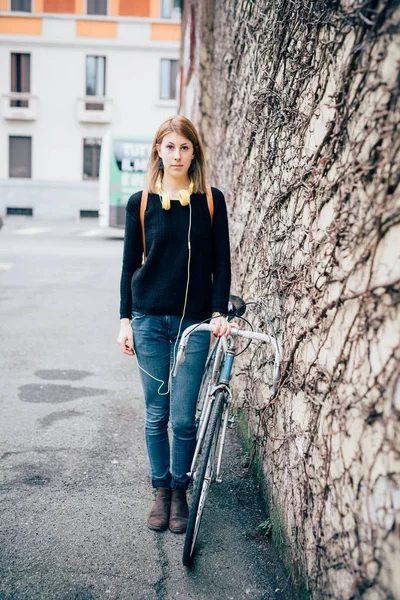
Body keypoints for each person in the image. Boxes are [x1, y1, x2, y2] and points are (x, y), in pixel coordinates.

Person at [117, 115, 231, 534]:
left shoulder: (211, 201)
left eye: (185, 147)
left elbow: (222, 263)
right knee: (155, 414)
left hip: (194, 324)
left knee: (183, 418)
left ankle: (180, 491)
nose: (177, 154)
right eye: (170, 147)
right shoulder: (141, 202)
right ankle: (161, 490)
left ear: (194, 152)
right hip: (148, 321)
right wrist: (125, 320)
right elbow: (130, 265)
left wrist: (218, 312)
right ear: (158, 152)